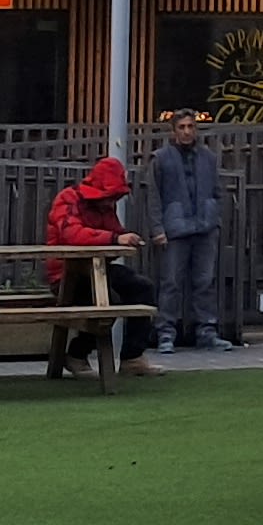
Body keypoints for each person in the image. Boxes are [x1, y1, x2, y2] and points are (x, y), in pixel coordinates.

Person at [44, 151, 159, 372]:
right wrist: (116, 239)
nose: (112, 202)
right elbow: (73, 235)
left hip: (98, 272)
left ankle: (132, 358)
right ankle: (77, 354)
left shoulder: (105, 205)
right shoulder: (67, 199)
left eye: (115, 197)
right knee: (108, 301)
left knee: (142, 288)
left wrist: (125, 238)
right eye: (110, 196)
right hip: (66, 276)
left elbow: (113, 233)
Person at [146, 110, 239, 352]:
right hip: (174, 228)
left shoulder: (208, 157)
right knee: (171, 283)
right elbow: (153, 196)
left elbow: (217, 190)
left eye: (191, 127)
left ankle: (207, 332)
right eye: (182, 127)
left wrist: (214, 217)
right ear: (173, 130)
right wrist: (157, 229)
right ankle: (166, 333)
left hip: (205, 227)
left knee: (205, 282)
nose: (187, 132)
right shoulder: (161, 158)